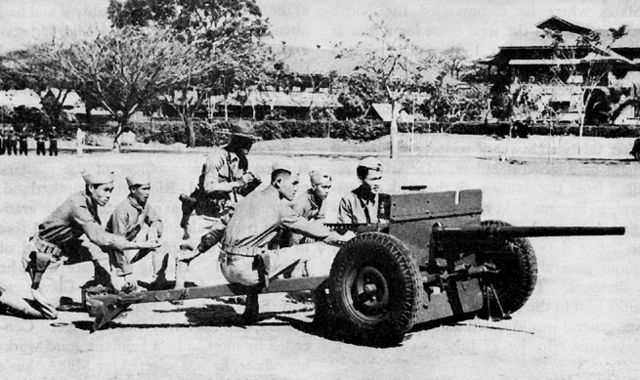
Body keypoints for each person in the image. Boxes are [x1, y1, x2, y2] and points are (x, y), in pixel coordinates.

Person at [0, 169, 160, 319]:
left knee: (100, 254)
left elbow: (101, 241)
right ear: (91, 187)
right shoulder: (78, 205)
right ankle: (4, 298)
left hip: (63, 250)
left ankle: (103, 295)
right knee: (48, 312)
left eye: (111, 190)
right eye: (106, 190)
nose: (109, 195)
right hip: (42, 256)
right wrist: (141, 245)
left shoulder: (89, 202)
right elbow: (99, 237)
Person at [219, 161, 352, 323]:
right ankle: (323, 313)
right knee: (311, 249)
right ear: (278, 182)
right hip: (246, 272)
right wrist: (344, 241)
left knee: (260, 250)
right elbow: (312, 229)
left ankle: (251, 309)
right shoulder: (279, 208)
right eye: (294, 183)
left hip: (226, 268)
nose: (296, 188)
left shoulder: (251, 197)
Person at [175, 120, 262, 288]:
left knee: (233, 251)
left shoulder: (242, 161)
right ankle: (178, 286)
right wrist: (238, 182)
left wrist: (251, 185)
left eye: (250, 140)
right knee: (190, 247)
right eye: (245, 140)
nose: (249, 144)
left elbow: (238, 193)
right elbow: (208, 187)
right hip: (204, 210)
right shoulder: (217, 157)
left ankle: (235, 288)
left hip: (225, 213)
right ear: (235, 139)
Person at [106, 175, 169, 290]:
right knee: (124, 289)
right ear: (133, 190)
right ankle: (118, 278)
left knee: (160, 244)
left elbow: (157, 220)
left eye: (149, 188)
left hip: (130, 247)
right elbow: (118, 244)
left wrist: (153, 229)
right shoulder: (122, 210)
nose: (148, 193)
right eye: (144, 189)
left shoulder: (143, 205)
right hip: (112, 254)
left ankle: (159, 280)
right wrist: (127, 273)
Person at [286, 169, 332, 246]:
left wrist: (314, 232)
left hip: (306, 231)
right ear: (314, 186)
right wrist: (309, 233)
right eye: (324, 187)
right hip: (290, 234)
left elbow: (320, 219)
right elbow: (293, 228)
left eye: (329, 187)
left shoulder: (322, 199)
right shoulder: (301, 202)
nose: (327, 191)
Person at [337, 157, 383, 224]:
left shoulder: (384, 199)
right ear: (360, 177)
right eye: (373, 179)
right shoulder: (348, 200)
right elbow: (344, 231)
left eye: (379, 179)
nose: (377, 183)